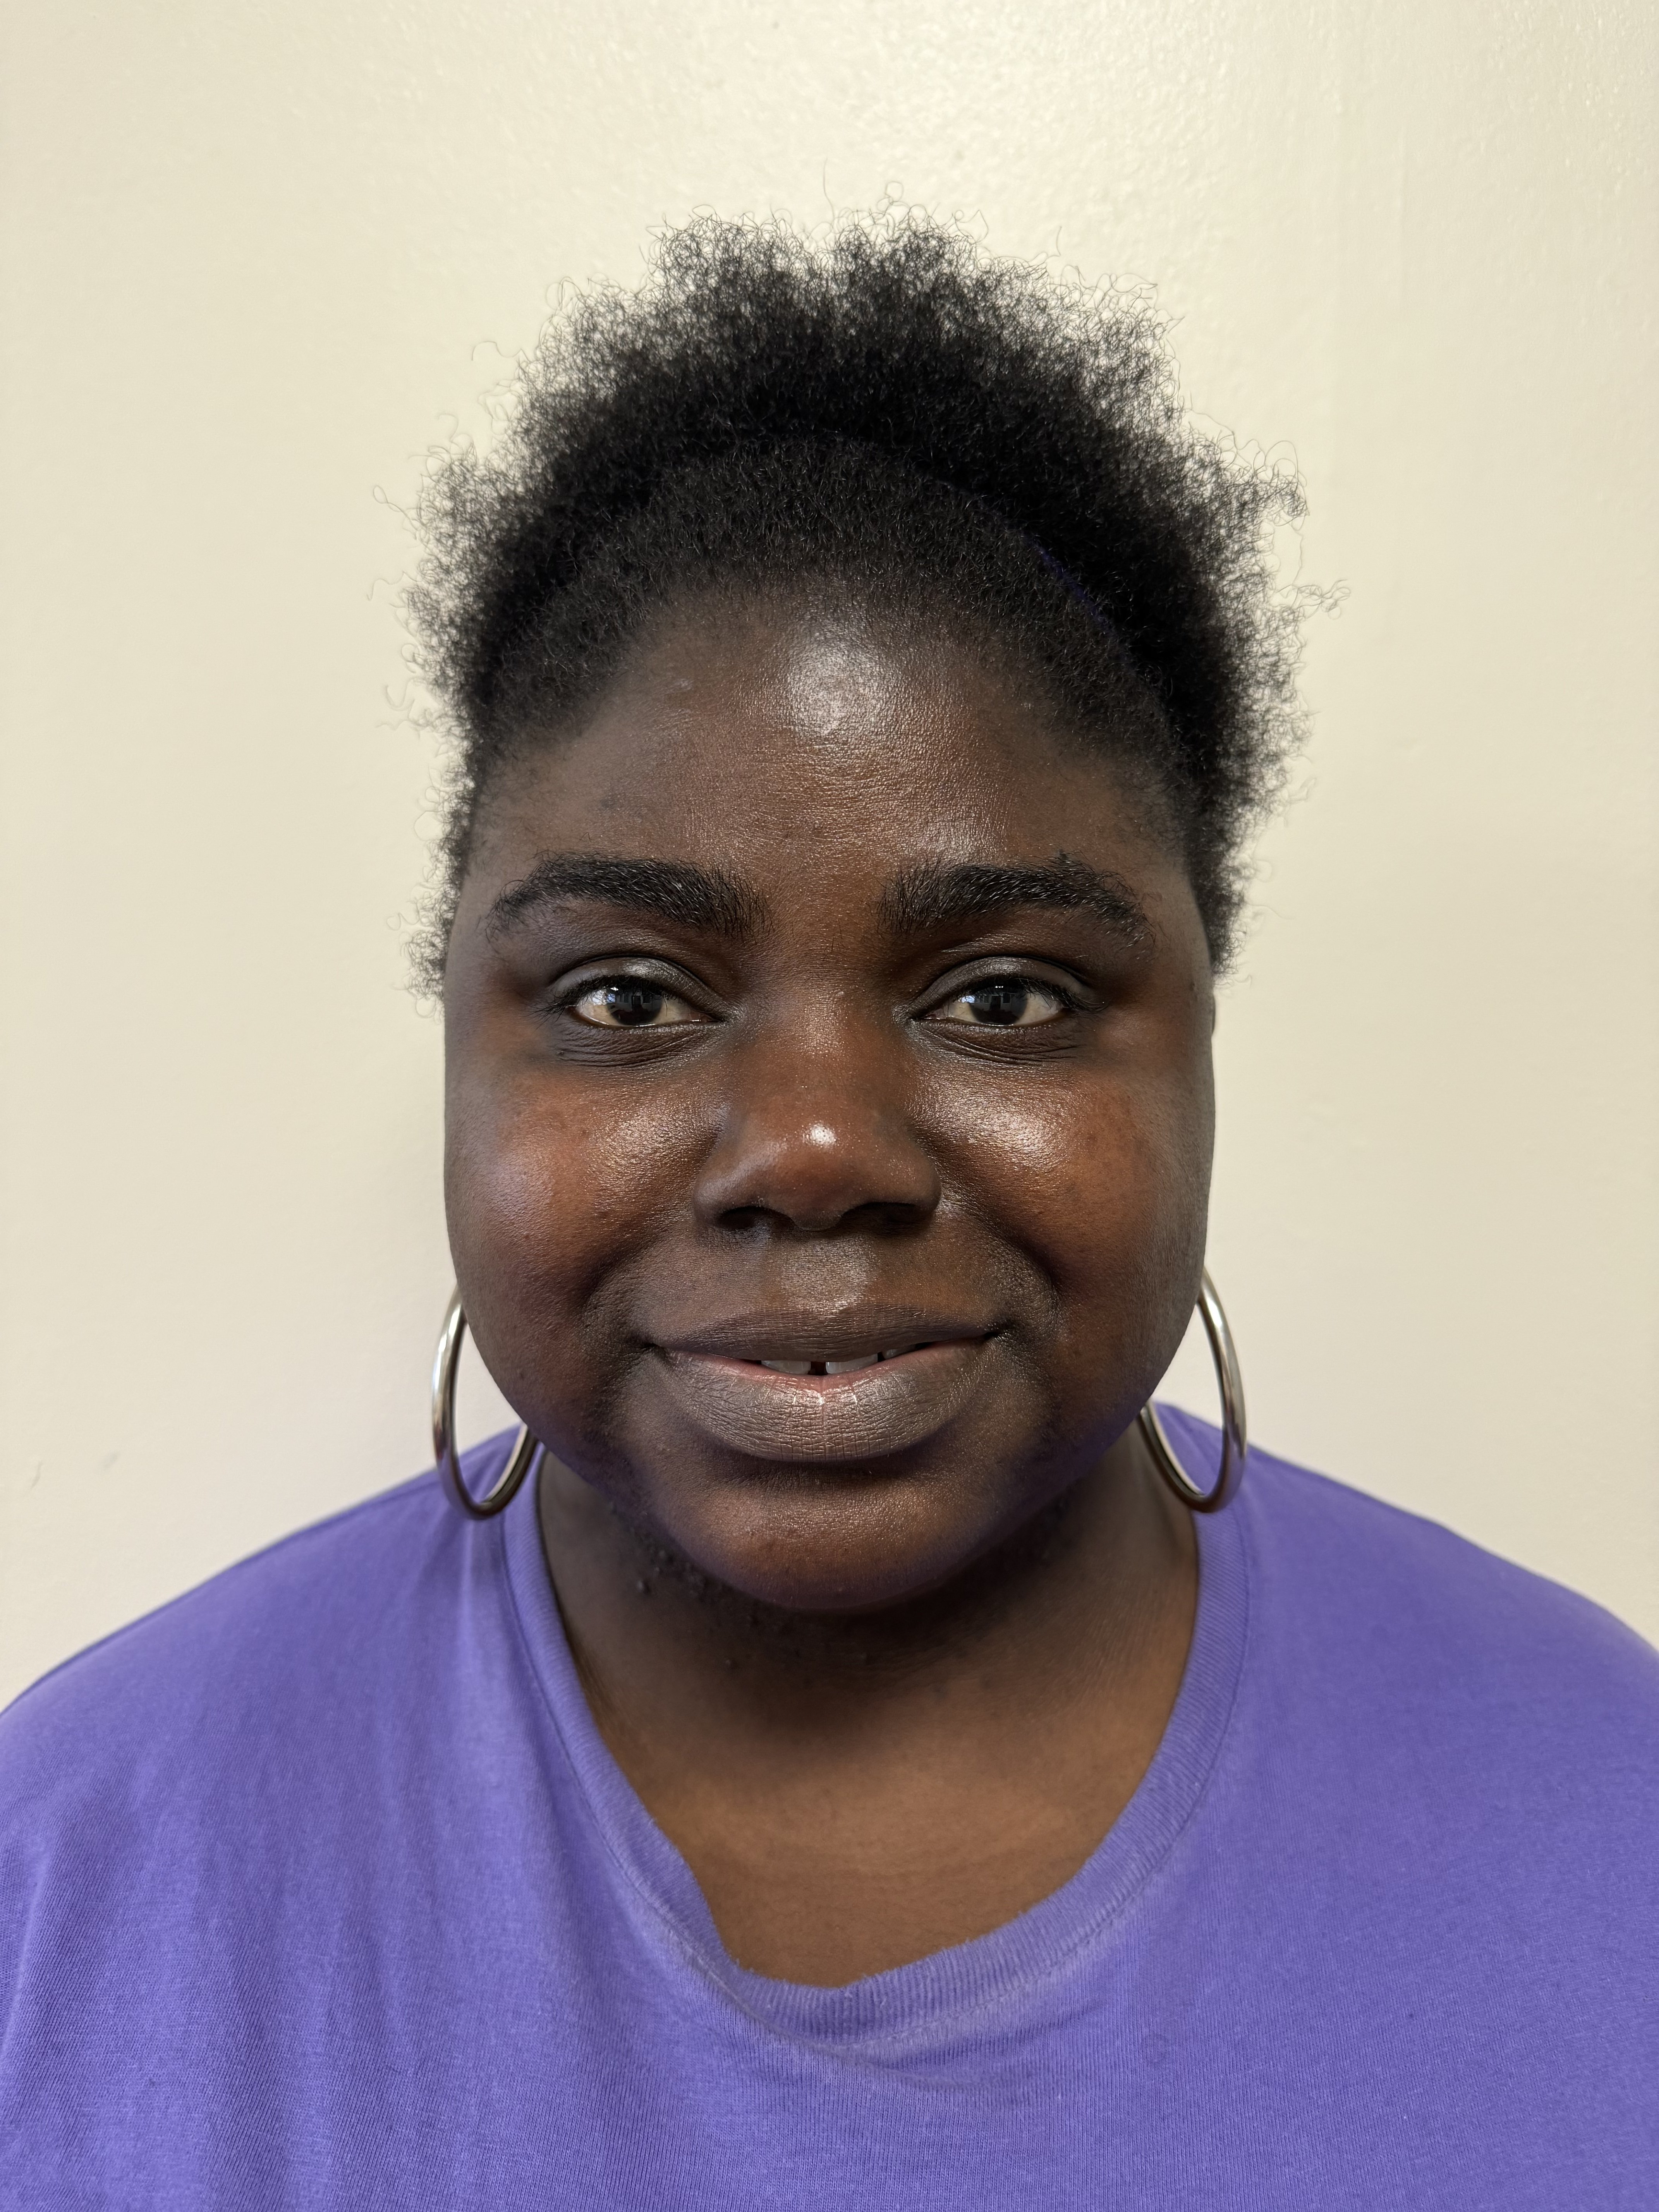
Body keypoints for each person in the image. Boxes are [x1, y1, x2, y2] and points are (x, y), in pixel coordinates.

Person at [1, 214, 1653, 2208]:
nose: (811, 1149)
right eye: (628, 999)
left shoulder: (1612, 1819)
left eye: (1004, 997)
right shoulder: (61, 1882)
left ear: (1200, 1035)